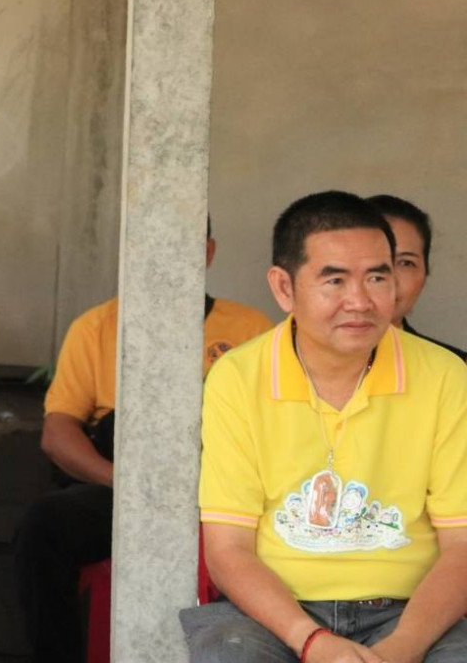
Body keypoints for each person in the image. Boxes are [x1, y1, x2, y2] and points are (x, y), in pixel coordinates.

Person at [182, 191, 467, 661]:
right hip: (276, 614)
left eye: (378, 277)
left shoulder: (445, 376)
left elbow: (461, 546)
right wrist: (312, 641)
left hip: (410, 612)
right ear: (284, 288)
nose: (360, 301)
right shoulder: (238, 377)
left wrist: (401, 648)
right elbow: (229, 549)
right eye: (335, 280)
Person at [15, 222, 271, 663]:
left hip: (218, 491)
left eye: (180, 244)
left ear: (208, 251)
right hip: (120, 488)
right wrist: (126, 484)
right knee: (44, 525)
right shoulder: (96, 326)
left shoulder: (250, 327)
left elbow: (268, 431)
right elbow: (58, 435)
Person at [366, 194, 466, 360]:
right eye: (373, 260)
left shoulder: (454, 366)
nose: (389, 278)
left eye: (406, 263)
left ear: (425, 273)